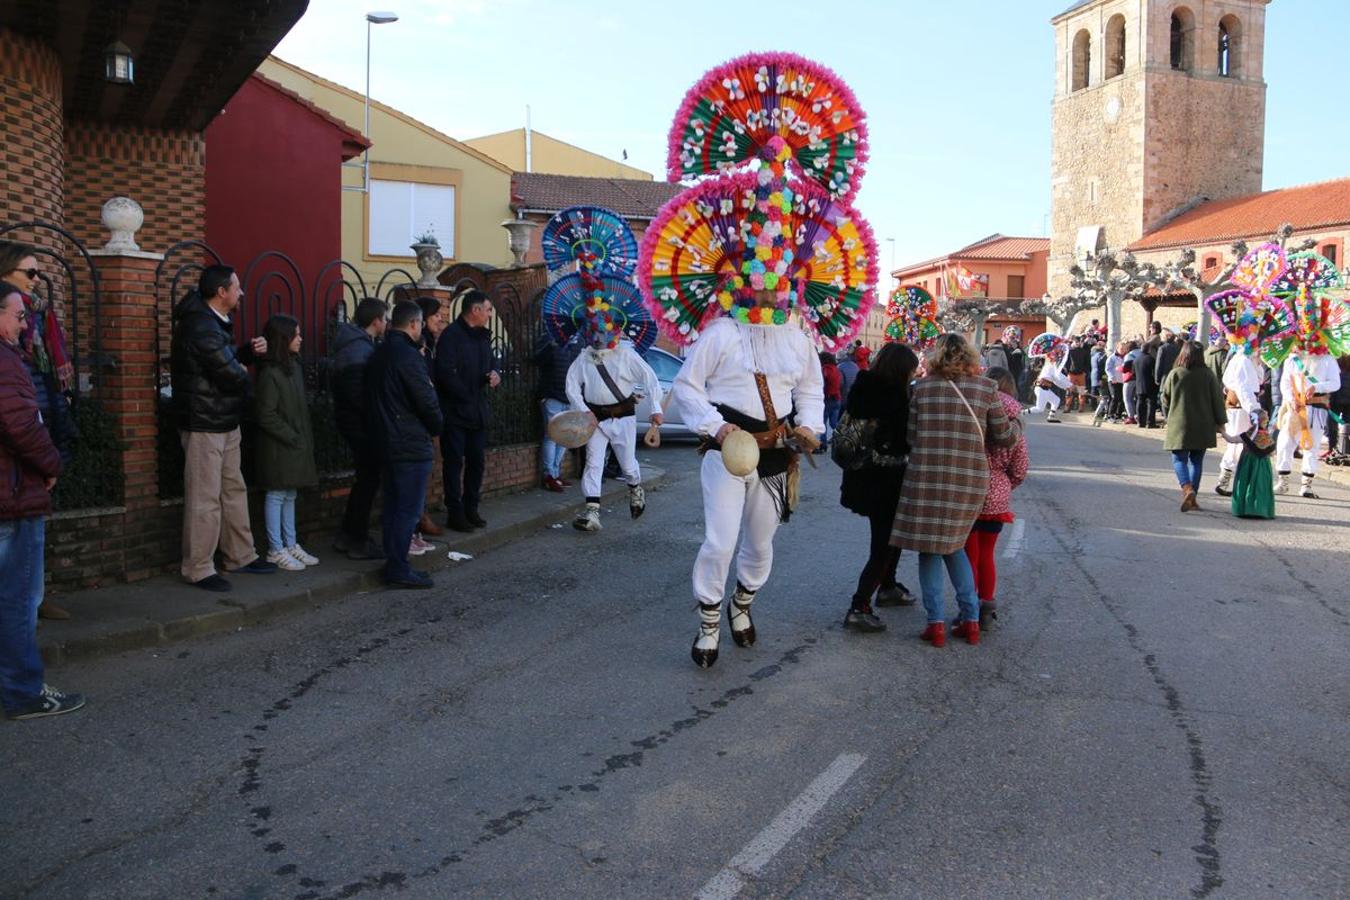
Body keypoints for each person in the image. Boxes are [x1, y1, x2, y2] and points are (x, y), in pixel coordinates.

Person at [672, 291, 824, 668]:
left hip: (775, 453)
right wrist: (716, 427)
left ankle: (741, 604)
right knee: (719, 543)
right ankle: (709, 624)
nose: (769, 293)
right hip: (726, 451)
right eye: (761, 281)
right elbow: (686, 386)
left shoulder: (796, 338)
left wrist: (808, 425)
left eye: (777, 283)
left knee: (760, 544)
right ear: (743, 282)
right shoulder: (721, 332)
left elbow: (810, 389)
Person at [892, 333, 1021, 648]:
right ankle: (971, 620)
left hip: (925, 479)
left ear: (936, 357)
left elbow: (911, 437)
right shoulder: (986, 388)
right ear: (970, 357)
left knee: (929, 549)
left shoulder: (921, 389)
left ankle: (935, 624)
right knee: (957, 546)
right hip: (969, 481)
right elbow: (1005, 437)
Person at [0, 281, 83, 719]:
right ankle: (21, 692)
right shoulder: (5, 360)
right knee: (16, 599)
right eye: (16, 315)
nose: (22, 323)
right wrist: (51, 463)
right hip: (13, 495)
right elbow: (19, 424)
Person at [170, 265, 276, 591]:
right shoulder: (200, 326)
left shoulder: (215, 322)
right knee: (205, 497)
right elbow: (229, 374)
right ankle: (198, 567)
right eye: (237, 288)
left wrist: (244, 355)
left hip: (223, 420)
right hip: (204, 423)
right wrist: (243, 374)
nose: (241, 293)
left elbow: (225, 362)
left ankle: (240, 554)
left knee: (233, 489)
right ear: (221, 292)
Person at [0, 242, 76, 620]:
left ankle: (35, 598)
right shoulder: (10, 327)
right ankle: (22, 614)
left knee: (34, 521)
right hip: (19, 431)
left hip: (42, 416)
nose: (36, 280)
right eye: (29, 273)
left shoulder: (38, 315)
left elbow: (46, 375)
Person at [839, 342, 919, 633]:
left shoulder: (862, 389)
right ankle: (859, 606)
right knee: (883, 545)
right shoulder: (895, 398)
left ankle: (888, 585)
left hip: (862, 476)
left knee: (888, 538)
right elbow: (904, 439)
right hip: (887, 480)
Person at [365, 300, 443, 589]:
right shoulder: (409, 356)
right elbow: (426, 401)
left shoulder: (379, 352)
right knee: (407, 509)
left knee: (394, 506)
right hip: (409, 442)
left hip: (385, 439)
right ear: (413, 324)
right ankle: (398, 567)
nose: (422, 328)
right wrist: (436, 426)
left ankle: (395, 562)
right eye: (421, 323)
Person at [565, 334, 663, 532]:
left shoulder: (625, 354)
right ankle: (592, 513)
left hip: (623, 418)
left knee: (627, 466)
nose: (597, 335)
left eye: (601, 329)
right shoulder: (585, 357)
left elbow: (649, 378)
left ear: (612, 330)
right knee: (593, 462)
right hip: (596, 420)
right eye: (592, 329)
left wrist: (656, 408)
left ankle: (635, 488)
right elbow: (571, 385)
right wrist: (584, 410)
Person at [962, 367, 1028, 630]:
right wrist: (1004, 485)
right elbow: (1021, 468)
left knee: (969, 554)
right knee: (987, 554)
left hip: (969, 490)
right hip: (997, 494)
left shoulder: (973, 412)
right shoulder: (1015, 422)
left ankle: (967, 610)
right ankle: (986, 605)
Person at [252, 315, 319, 571]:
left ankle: (291, 544)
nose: (300, 339)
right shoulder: (271, 372)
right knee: (277, 494)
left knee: (290, 493)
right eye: (296, 334)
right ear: (284, 338)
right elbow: (265, 413)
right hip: (278, 446)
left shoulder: (292, 367)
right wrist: (291, 436)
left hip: (292, 443)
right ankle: (275, 548)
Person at [435, 290, 499, 533]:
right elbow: (445, 373)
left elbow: (493, 362)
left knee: (477, 462)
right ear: (475, 310)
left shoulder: (483, 336)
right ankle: (455, 512)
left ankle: (471, 507)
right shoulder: (451, 336)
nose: (490, 315)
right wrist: (465, 395)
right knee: (453, 463)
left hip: (478, 412)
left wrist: (495, 374)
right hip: (456, 412)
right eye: (489, 309)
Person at [330, 298, 387, 560]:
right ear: (376, 321)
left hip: (353, 422)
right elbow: (357, 395)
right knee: (368, 480)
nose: (385, 323)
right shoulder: (357, 349)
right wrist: (376, 418)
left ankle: (349, 534)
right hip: (359, 426)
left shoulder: (356, 345)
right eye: (384, 318)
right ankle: (356, 539)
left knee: (365, 480)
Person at [1159, 340, 1227, 511]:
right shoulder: (1208, 374)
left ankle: (1187, 488)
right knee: (1197, 461)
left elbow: (1164, 398)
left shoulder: (1175, 374)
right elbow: (1217, 400)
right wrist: (1221, 422)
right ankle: (1193, 496)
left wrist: (1169, 416)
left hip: (1179, 423)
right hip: (1203, 424)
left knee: (1178, 459)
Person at [1274, 347, 1342, 499]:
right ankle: (1283, 482)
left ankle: (1306, 486)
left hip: (1316, 409)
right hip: (1295, 408)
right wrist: (1290, 399)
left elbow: (1335, 383)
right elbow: (1285, 382)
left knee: (1312, 446)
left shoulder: (1327, 360)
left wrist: (1317, 387)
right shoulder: (1292, 359)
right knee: (1285, 443)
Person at [413, 296, 449, 544]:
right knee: (416, 475)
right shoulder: (418, 348)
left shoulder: (431, 344)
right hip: (418, 422)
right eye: (436, 315)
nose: (440, 319)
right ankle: (417, 521)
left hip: (428, 417)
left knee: (424, 473)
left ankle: (420, 516)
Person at [1214, 341, 1263, 498]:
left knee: (1239, 444)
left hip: (1242, 407)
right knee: (1237, 444)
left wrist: (1258, 362)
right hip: (1240, 407)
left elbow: (1257, 380)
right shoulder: (1242, 361)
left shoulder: (1247, 360)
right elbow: (1244, 389)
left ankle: (1226, 480)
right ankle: (1225, 480)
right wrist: (1253, 409)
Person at [533, 331, 579, 493]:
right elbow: (536, 360)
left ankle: (555, 473)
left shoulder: (575, 341)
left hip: (569, 397)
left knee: (564, 437)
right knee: (552, 436)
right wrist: (550, 346)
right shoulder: (548, 338)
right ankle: (549, 476)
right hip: (552, 395)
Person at [1229, 409, 1275, 519]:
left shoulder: (1247, 435)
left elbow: (1231, 439)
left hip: (1247, 463)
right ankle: (1261, 509)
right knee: (1261, 485)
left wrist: (1221, 430)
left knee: (1245, 482)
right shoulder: (1268, 436)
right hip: (1263, 464)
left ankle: (1243, 508)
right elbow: (1272, 451)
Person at [1032, 351, 1070, 422]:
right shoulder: (1050, 366)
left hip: (1045, 388)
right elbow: (1059, 378)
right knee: (1039, 408)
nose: (1056, 358)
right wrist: (1070, 385)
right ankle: (1022, 413)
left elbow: (1057, 380)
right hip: (1041, 388)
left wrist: (1066, 387)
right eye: (1055, 357)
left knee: (1056, 400)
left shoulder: (1051, 366)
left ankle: (1051, 417)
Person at [820, 351, 843, 451]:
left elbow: (823, 385)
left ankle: (823, 445)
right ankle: (842, 441)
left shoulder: (824, 369)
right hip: (837, 398)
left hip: (827, 399)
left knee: (823, 423)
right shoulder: (836, 369)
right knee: (834, 423)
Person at [1135, 338, 1160, 428]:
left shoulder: (1136, 359)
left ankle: (1140, 422)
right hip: (1150, 384)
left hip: (1139, 384)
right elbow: (1154, 372)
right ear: (1149, 349)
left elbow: (1133, 372)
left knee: (1140, 403)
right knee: (1151, 404)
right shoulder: (1151, 359)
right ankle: (1150, 422)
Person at [1064, 336, 1089, 412]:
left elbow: (1087, 363)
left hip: (1081, 374)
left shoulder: (1084, 352)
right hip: (1071, 374)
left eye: (1079, 342)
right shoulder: (1069, 352)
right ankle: (1067, 407)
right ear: (1073, 342)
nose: (1078, 343)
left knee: (1081, 391)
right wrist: (1068, 371)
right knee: (1069, 392)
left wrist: (1085, 372)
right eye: (1076, 342)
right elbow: (1066, 362)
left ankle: (1081, 407)